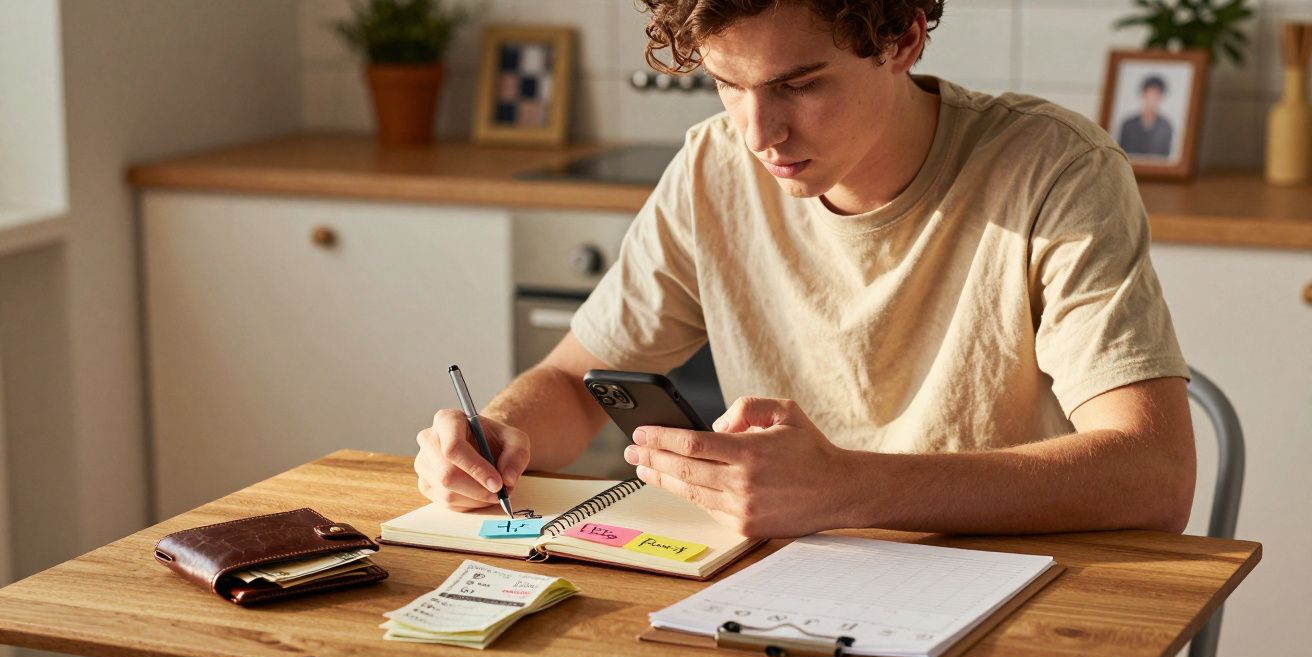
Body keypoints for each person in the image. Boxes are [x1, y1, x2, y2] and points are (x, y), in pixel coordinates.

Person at [415, 0, 1196, 539]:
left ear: (904, 40)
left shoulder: (1054, 170)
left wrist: (846, 490)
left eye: (799, 84)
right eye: (728, 84)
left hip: (1011, 601)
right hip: (786, 597)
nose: (760, 131)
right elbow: (575, 382)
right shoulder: (711, 170)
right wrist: (499, 431)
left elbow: (1154, 476)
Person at [1118, 75, 1174, 157]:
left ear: (1161, 97)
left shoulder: (1166, 127)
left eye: (1157, 95)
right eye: (1150, 95)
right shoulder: (1128, 125)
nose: (1152, 100)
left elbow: (1164, 158)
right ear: (1143, 95)